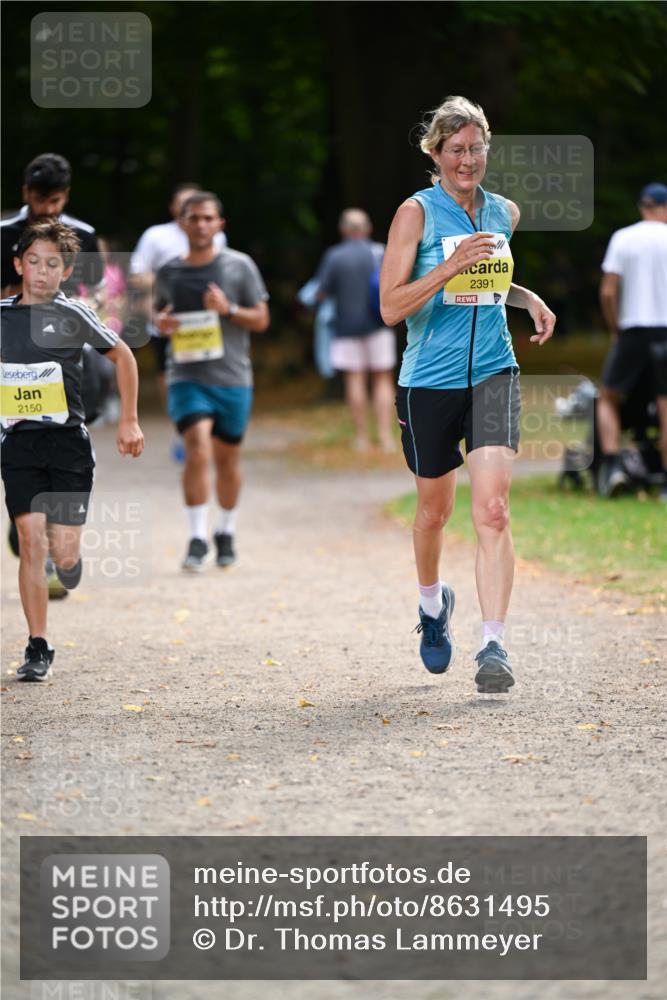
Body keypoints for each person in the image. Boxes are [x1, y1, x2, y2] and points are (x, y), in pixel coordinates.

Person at [380, 96, 555, 693]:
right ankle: (433, 607)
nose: (468, 159)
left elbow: (489, 282)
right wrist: (448, 267)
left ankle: (494, 645)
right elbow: (391, 305)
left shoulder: (504, 212)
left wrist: (524, 297)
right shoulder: (415, 214)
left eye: (477, 148)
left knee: (494, 509)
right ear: (435, 153)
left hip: (493, 373)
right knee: (434, 511)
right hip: (428, 380)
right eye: (456, 150)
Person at [1, 221, 144, 682]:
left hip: (67, 445)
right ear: (19, 264)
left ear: (65, 272)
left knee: (62, 557)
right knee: (29, 542)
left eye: (53, 265)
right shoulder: (2, 315)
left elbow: (124, 356)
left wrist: (129, 421)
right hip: (19, 443)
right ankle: (38, 644)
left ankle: (66, 560)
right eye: (34, 263)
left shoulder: (73, 314)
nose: (42, 273)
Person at [154, 192, 269, 571]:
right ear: (182, 224)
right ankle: (197, 537)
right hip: (187, 376)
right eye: (194, 218)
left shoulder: (239, 266)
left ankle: (226, 530)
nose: (201, 224)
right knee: (197, 447)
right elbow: (158, 318)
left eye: (208, 218)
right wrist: (162, 325)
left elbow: (261, 319)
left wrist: (229, 309)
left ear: (219, 224)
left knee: (228, 459)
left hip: (232, 378)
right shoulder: (169, 271)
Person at [597, 182, 667, 500]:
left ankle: (612, 465)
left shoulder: (624, 238)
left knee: (607, 397)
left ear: (643, 207)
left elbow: (609, 291)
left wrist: (616, 328)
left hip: (634, 329)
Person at [129, 183, 227, 409]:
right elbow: (136, 274)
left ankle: (204, 413)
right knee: (169, 368)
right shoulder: (156, 235)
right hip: (168, 314)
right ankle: (177, 417)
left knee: (206, 364)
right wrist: (170, 280)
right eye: (184, 204)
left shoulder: (216, 236)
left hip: (204, 315)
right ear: (173, 207)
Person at [316, 209, 397, 452]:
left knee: (355, 379)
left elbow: (321, 292)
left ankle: (361, 437)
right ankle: (385, 437)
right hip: (379, 324)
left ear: (343, 230)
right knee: (382, 378)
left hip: (345, 327)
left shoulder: (334, 256)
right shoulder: (380, 253)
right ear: (367, 229)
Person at [1, 152, 104, 297]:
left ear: (66, 195)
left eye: (54, 201)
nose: (48, 209)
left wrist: (84, 306)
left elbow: (97, 291)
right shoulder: (3, 233)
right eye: (40, 200)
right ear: (26, 193)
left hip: (68, 317)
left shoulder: (84, 235)